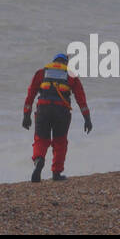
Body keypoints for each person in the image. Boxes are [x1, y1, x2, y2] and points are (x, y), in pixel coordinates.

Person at [22, 52, 92, 182]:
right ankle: (56, 173)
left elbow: (30, 95)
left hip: (43, 109)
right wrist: (87, 118)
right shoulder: (71, 76)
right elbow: (81, 99)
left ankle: (39, 159)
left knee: (40, 139)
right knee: (60, 142)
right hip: (62, 111)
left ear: (54, 62)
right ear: (66, 63)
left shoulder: (42, 73)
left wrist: (26, 115)